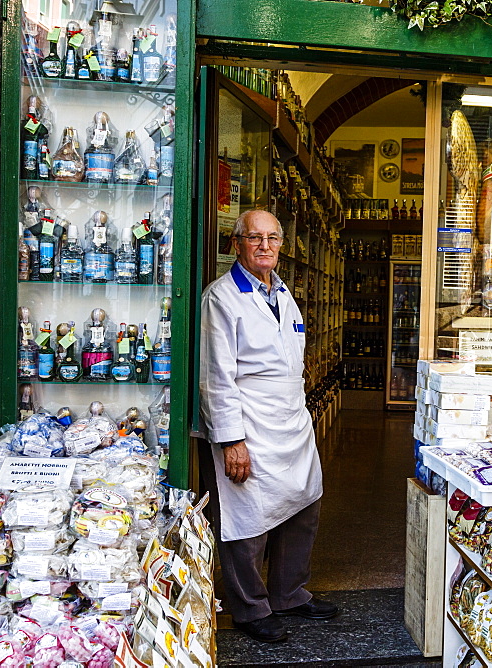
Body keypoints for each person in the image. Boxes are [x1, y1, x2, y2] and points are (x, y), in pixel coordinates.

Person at [199, 209, 338, 643]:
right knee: (247, 522)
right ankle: (249, 608)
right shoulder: (220, 298)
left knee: (304, 503)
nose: (264, 245)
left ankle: (289, 593)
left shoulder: (283, 294)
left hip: (291, 424)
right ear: (236, 243)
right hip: (250, 424)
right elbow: (215, 375)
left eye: (272, 238)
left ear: (281, 244)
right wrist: (231, 439)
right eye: (254, 237)